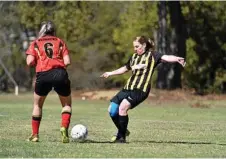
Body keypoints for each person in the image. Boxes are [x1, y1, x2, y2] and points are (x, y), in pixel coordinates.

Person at [100, 36, 186, 143]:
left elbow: (166, 57)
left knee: (122, 108)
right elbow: (125, 68)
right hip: (128, 88)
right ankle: (122, 130)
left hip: (141, 90)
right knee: (112, 110)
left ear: (144, 45)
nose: (135, 49)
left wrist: (177, 58)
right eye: (134, 47)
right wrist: (110, 73)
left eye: (137, 46)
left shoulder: (153, 55)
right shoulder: (134, 57)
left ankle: (121, 137)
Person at [26, 21, 72, 143]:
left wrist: (39, 63)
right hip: (60, 73)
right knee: (66, 105)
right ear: (53, 31)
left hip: (43, 74)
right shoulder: (60, 41)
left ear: (42, 31)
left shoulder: (35, 43)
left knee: (37, 105)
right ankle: (64, 127)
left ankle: (35, 135)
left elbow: (29, 62)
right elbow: (67, 61)